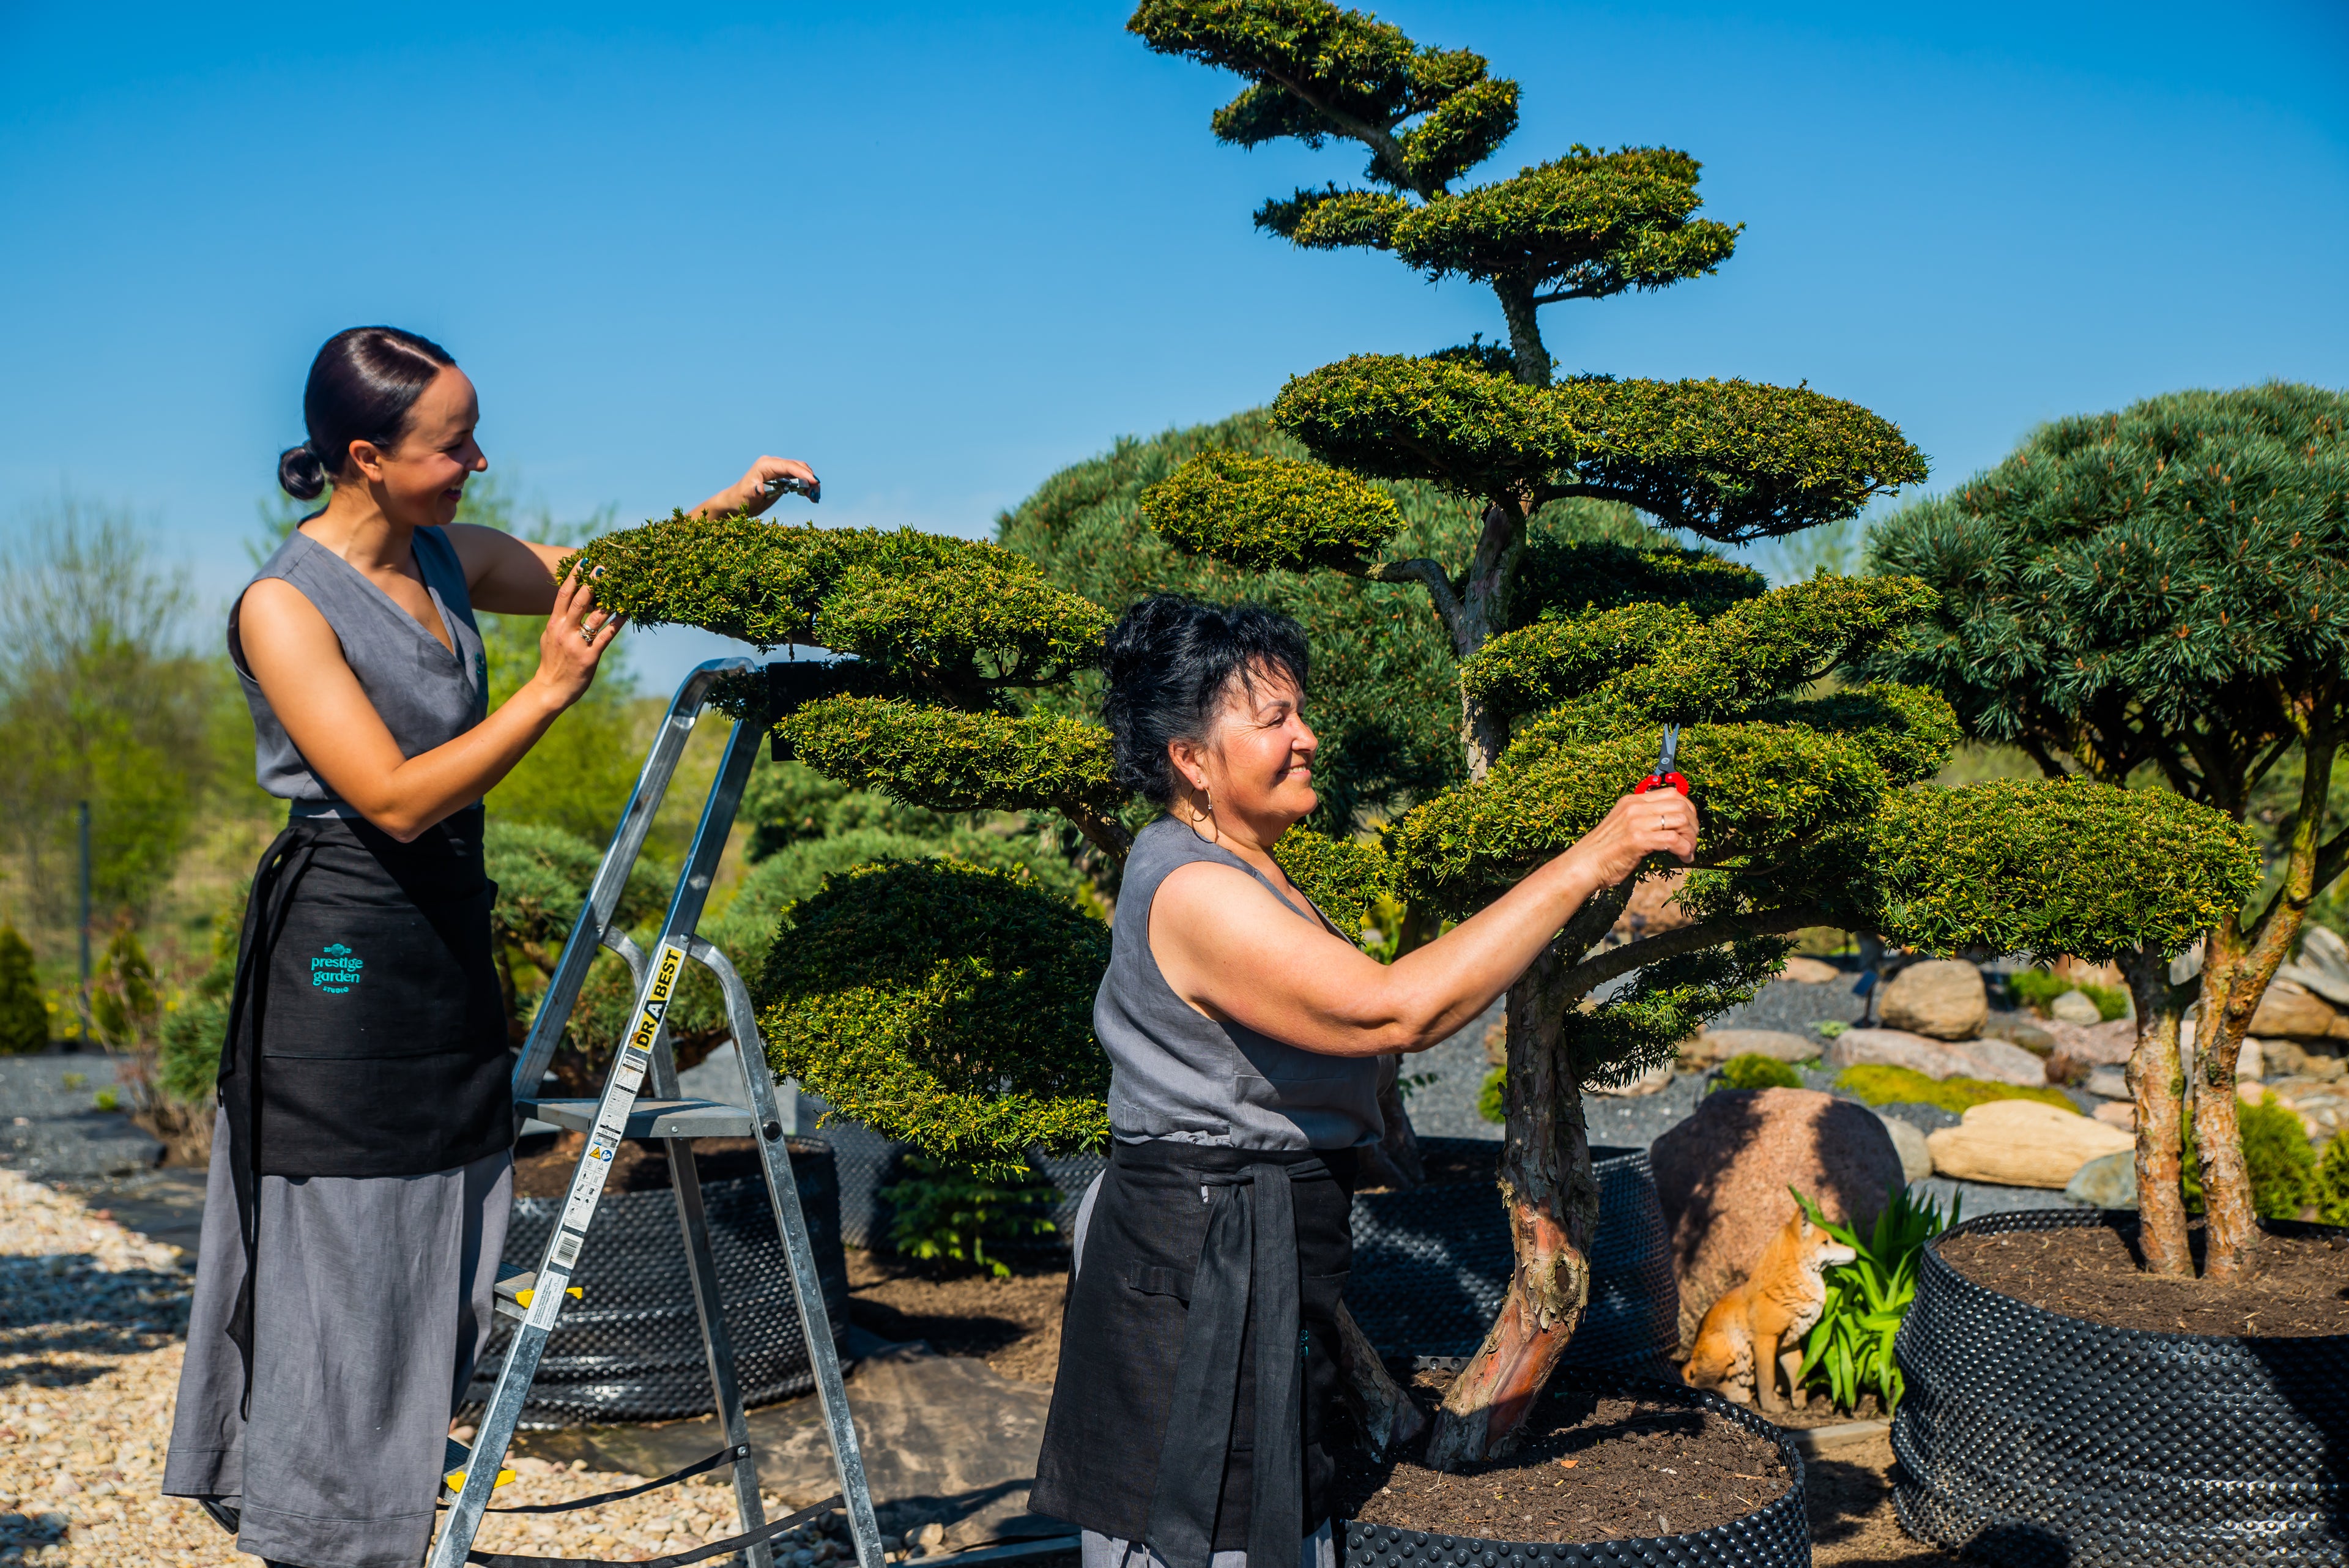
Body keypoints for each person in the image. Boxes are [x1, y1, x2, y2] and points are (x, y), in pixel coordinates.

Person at [161, 325, 816, 1568]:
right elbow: (395, 796)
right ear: (365, 455)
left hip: (446, 946)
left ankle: (388, 1522)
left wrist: (722, 511)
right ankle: (320, 1537)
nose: (477, 460)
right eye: (452, 442)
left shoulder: (445, 558)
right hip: (344, 960)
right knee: (349, 1266)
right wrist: (546, 693)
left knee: (444, 1251)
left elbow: (600, 573)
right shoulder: (283, 605)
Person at [1030, 596, 1699, 1568]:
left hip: (1247, 1240)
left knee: (1265, 1499)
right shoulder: (1195, 888)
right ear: (1189, 757)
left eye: (1301, 712)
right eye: (1273, 722)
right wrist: (1592, 855)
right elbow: (1392, 1010)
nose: (1306, 738)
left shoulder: (1250, 865)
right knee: (1199, 1521)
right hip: (1200, 1255)